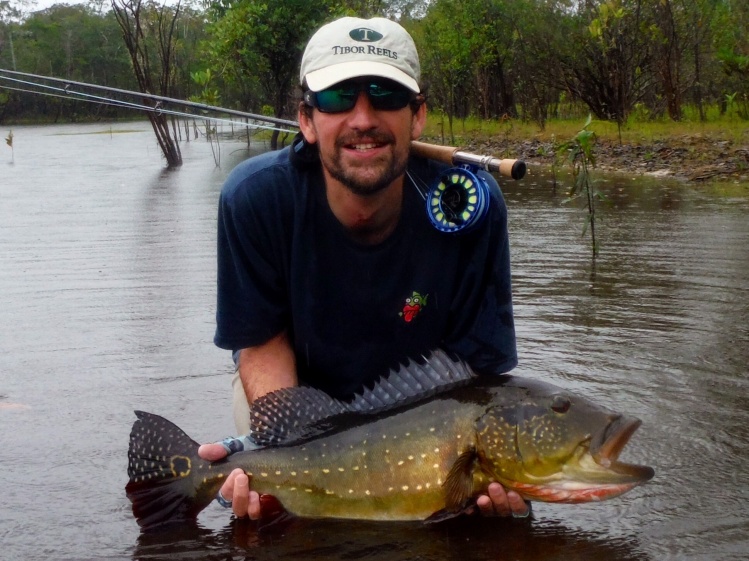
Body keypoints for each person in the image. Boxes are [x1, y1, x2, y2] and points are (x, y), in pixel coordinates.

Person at [197, 15, 530, 521]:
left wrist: (487, 474)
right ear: (306, 120)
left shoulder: (470, 209)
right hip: (298, 406)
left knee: (481, 517)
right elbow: (261, 344)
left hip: (427, 418)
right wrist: (284, 452)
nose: (362, 119)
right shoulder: (254, 199)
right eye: (337, 98)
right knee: (276, 516)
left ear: (417, 116)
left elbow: (478, 386)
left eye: (385, 96)